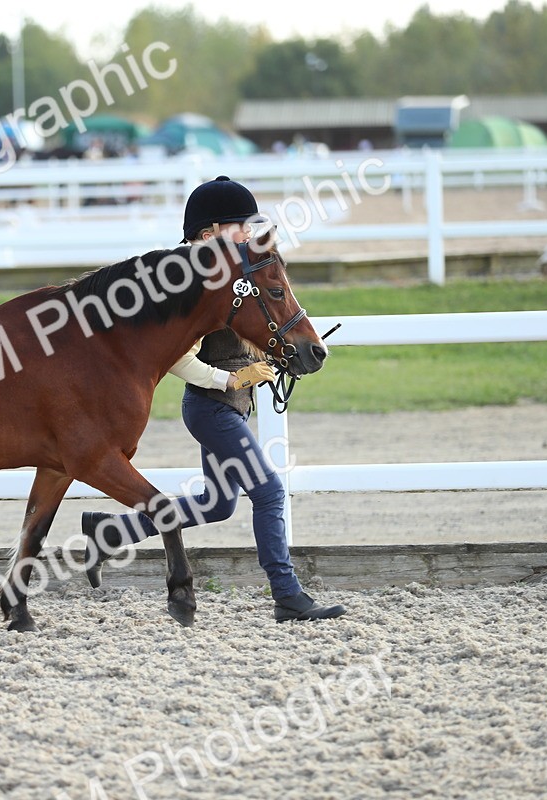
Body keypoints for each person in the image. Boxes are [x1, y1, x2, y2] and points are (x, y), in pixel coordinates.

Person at [81, 176, 346, 623]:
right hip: (211, 409)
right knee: (269, 494)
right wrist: (234, 378)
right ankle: (287, 594)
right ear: (209, 235)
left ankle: (111, 531)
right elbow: (180, 358)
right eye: (241, 227)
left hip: (227, 408)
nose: (250, 235)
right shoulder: (196, 286)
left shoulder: (233, 278)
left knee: (217, 504)